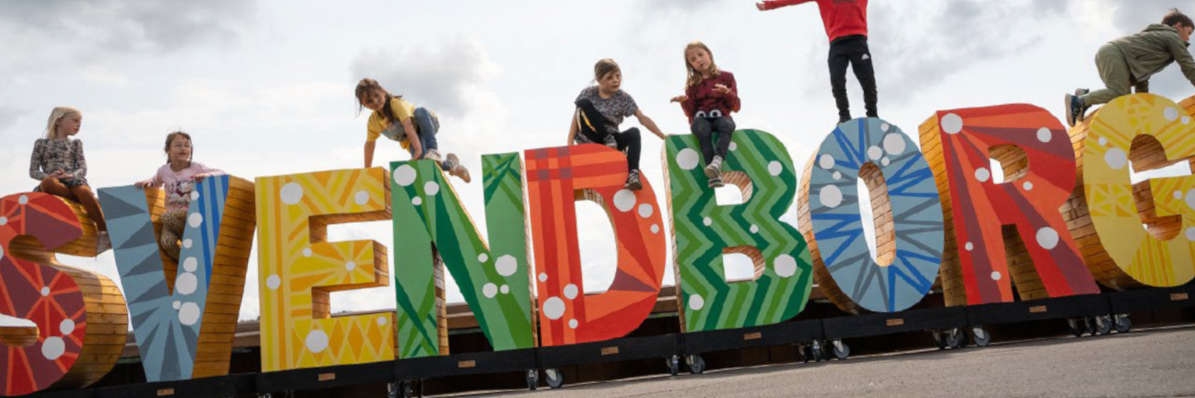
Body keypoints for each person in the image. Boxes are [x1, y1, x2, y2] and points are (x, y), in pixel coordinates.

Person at [1066, 8, 1195, 126]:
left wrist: (1143, 103)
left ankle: (1084, 98)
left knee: (1125, 102)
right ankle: (1077, 101)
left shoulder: (1157, 38)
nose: (1188, 38)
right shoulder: (1172, 36)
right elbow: (1188, 65)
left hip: (1112, 54)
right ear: (1178, 26)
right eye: (1188, 32)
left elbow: (1142, 74)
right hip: (1116, 54)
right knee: (1119, 93)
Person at [757, 0, 876, 124]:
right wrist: (770, 5)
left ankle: (872, 115)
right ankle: (844, 116)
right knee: (837, 80)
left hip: (858, 41)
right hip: (837, 44)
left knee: (868, 80)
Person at [567, 59, 668, 190]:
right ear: (599, 79)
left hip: (613, 140)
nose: (615, 80)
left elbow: (642, 118)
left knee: (634, 132)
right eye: (610, 77)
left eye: (618, 76)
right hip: (590, 135)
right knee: (583, 103)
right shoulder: (588, 93)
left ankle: (633, 174)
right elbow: (576, 119)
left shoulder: (623, 98)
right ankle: (606, 138)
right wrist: (569, 147)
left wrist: (662, 135)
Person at [356, 78, 471, 182]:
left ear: (383, 92)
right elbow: (370, 144)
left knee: (419, 112)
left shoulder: (395, 103)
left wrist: (418, 150)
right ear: (364, 105)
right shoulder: (373, 122)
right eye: (370, 101)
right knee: (424, 164)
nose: (375, 101)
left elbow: (408, 125)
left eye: (377, 96)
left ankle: (433, 150)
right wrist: (367, 170)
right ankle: (453, 165)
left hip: (426, 124)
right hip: (413, 140)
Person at [29, 107, 110, 253]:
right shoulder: (41, 144)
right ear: (59, 121)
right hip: (53, 183)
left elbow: (83, 168)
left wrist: (70, 175)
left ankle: (104, 232)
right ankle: (87, 201)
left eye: (80, 122)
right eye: (75, 120)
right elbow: (33, 171)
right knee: (48, 183)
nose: (78, 125)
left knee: (84, 191)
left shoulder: (76, 143)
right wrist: (49, 176)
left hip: (73, 181)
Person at [134, 131, 224, 261]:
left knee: (167, 217)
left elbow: (221, 172)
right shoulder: (163, 171)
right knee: (167, 243)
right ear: (168, 150)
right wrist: (149, 182)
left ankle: (194, 239)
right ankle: (187, 261)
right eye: (178, 145)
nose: (183, 148)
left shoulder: (196, 167)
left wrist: (206, 175)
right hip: (172, 220)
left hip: (190, 214)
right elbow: (155, 182)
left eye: (187, 145)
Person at [670, 41, 741, 188]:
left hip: (722, 117)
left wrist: (727, 92)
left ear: (708, 54)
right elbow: (690, 112)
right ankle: (713, 173)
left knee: (726, 124)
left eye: (700, 55)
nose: (698, 60)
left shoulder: (727, 77)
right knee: (702, 129)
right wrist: (684, 102)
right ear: (691, 65)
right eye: (693, 59)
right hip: (701, 119)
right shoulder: (692, 85)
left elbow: (736, 107)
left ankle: (717, 161)